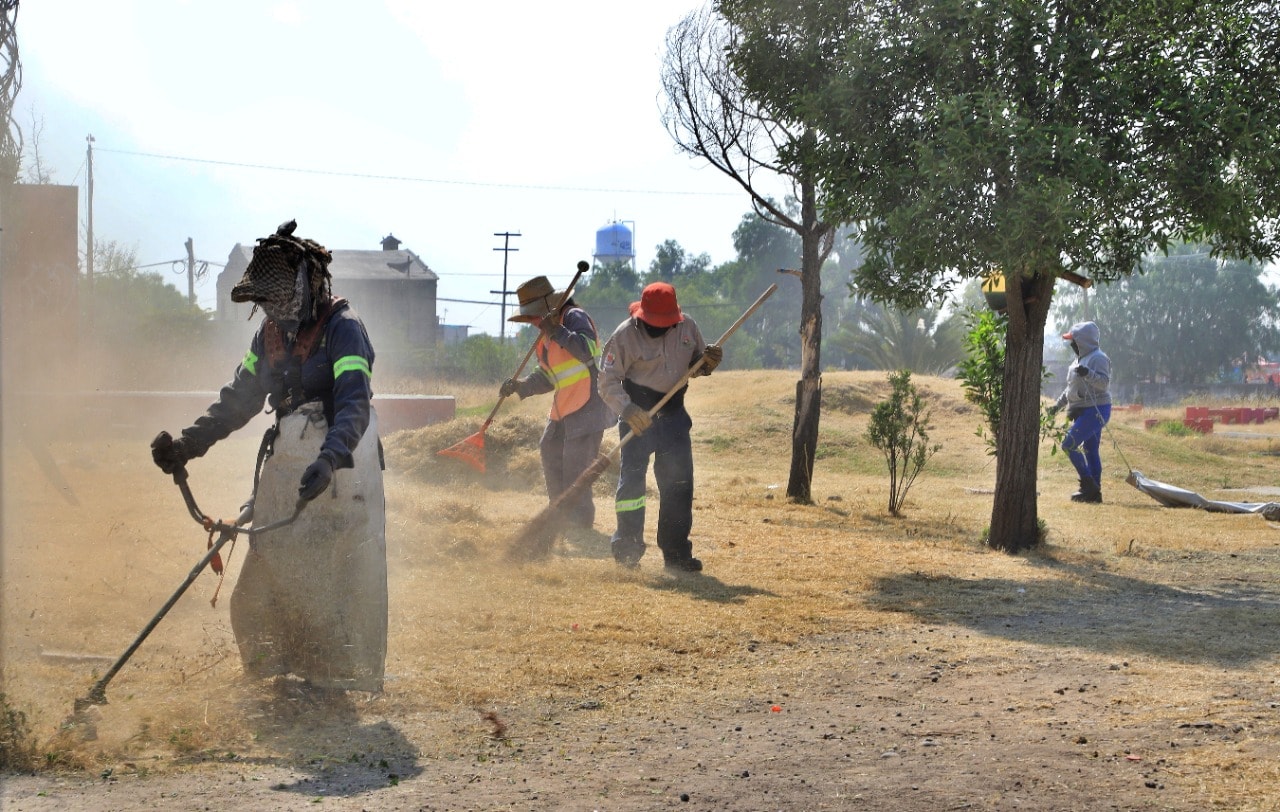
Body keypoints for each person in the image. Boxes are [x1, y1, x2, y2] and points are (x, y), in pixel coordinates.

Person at [150, 219, 387, 692]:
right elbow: (239, 398)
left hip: (345, 472)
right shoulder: (268, 337)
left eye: (279, 298)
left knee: (335, 581)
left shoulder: (344, 330)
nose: (271, 309)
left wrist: (330, 458)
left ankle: (336, 680)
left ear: (307, 285)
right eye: (265, 301)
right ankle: (275, 677)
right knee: (262, 583)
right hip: (287, 463)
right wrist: (188, 445)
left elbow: (355, 403)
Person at [598, 282, 722, 572]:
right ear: (641, 316)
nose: (660, 329)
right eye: (654, 324)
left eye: (666, 324)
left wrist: (709, 363)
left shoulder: (687, 327)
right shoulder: (624, 335)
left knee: (678, 485)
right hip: (637, 414)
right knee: (631, 485)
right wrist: (627, 409)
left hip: (674, 414)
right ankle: (627, 551)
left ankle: (676, 554)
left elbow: (697, 363)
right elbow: (606, 381)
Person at [500, 275, 615, 533]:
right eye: (529, 318)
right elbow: (549, 377)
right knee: (549, 448)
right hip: (564, 406)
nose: (532, 322)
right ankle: (559, 513)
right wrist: (521, 386)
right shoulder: (544, 338)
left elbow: (587, 350)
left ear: (547, 309)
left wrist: (557, 331)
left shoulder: (573, 317)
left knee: (576, 465)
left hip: (589, 402)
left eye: (533, 316)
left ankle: (579, 522)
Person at [1053, 320, 1112, 504]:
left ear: (1082, 341)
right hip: (1083, 409)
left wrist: (1088, 374)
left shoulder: (1099, 358)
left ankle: (1089, 486)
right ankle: (1095, 492)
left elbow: (1104, 384)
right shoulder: (1078, 360)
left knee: (1068, 445)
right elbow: (1070, 389)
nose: (1071, 344)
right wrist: (1056, 406)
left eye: (1073, 341)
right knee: (1090, 449)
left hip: (1096, 409)